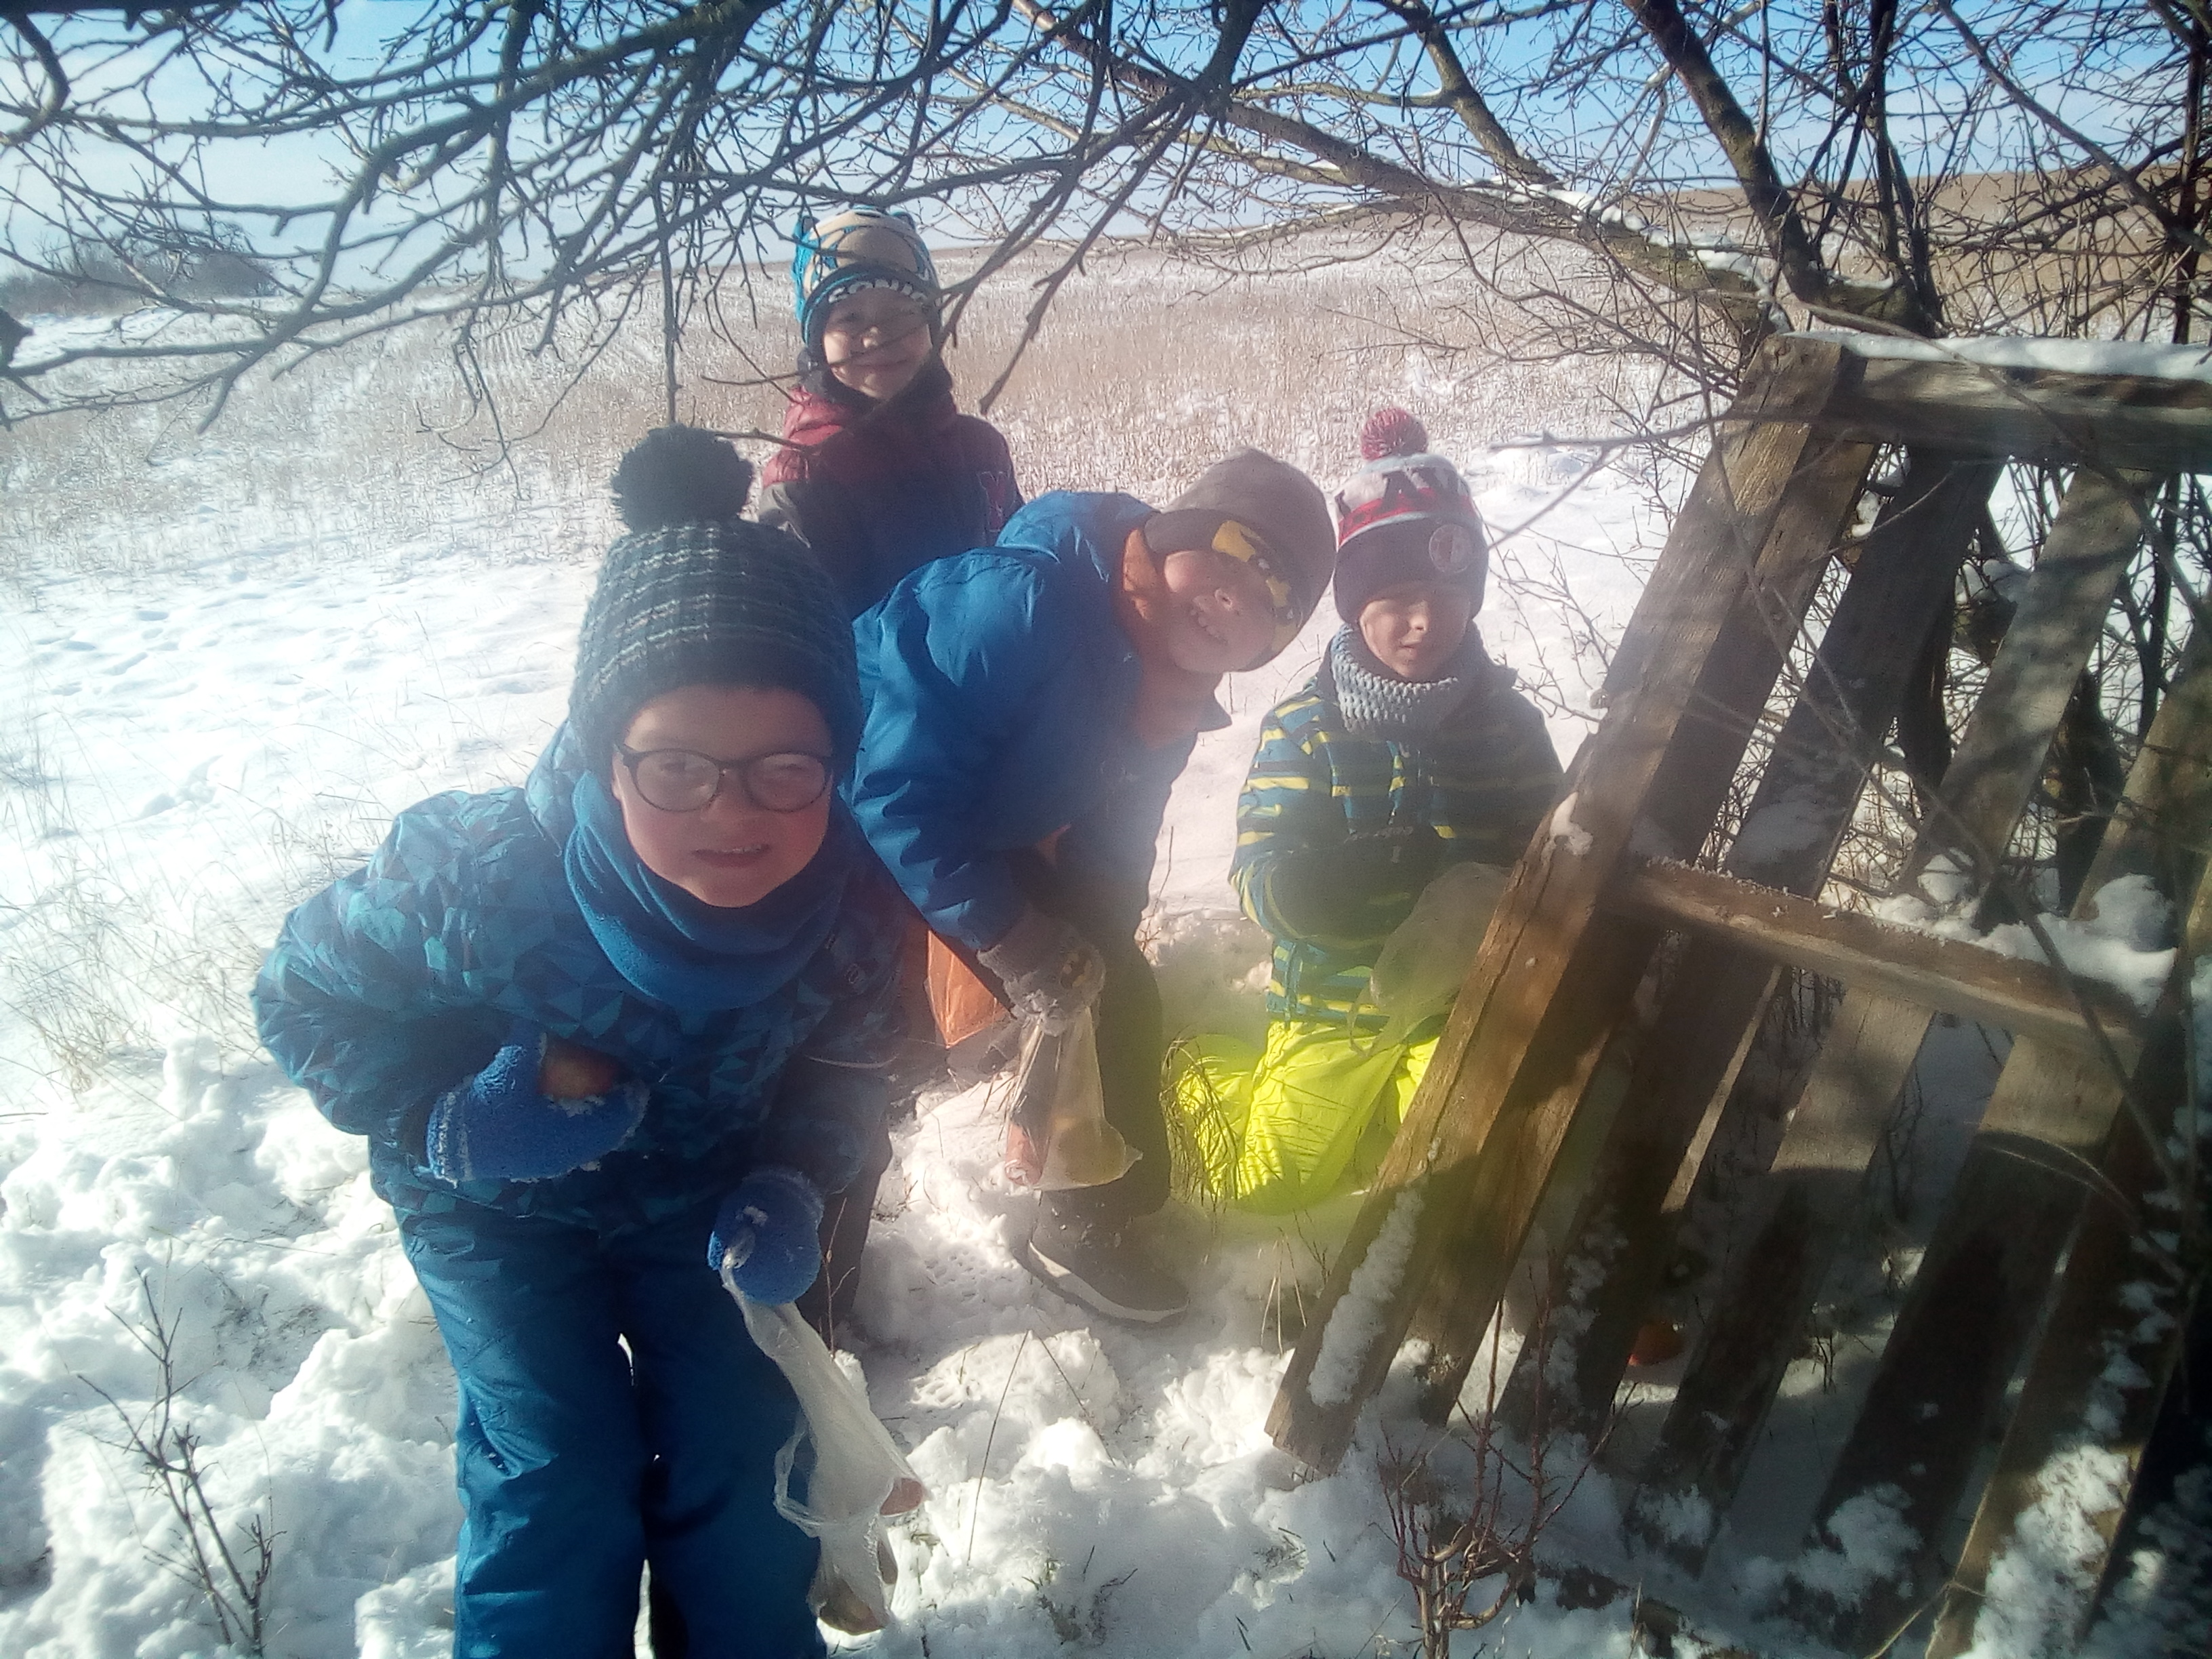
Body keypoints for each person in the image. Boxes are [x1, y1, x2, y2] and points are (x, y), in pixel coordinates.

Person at [253, 430, 905, 1657]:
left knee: (741, 1440)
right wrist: (438, 1119)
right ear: (607, 755)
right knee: (560, 1459)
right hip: (492, 1207)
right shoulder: (477, 880)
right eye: (676, 767)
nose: (731, 810)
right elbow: (302, 996)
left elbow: (852, 1065)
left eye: (785, 767)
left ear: (836, 760)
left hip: (703, 1203)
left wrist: (794, 1175)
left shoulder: (854, 907)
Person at [848, 450, 1337, 1323]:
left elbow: (1118, 838)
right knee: (837, 1034)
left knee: (1106, 984)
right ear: (1174, 536)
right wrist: (1014, 939)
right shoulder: (1021, 603)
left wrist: (1089, 948)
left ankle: (1091, 1216)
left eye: (1276, 600)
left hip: (963, 825)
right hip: (825, 819)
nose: (1238, 598)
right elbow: (892, 793)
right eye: (1234, 555)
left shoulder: (1173, 690)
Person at [1172, 409, 1563, 1214]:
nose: (1425, 620)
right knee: (1263, 1186)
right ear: (1355, 604)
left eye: (1449, 596)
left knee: (1456, 1162)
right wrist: (1316, 891)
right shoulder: (1306, 729)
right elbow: (1259, 867)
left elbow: (1550, 852)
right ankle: (1193, 1065)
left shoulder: (1508, 728)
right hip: (1332, 1000)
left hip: (1456, 1001)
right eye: (1398, 597)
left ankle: (1383, 1116)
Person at [756, 205, 1023, 616]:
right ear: (818, 339)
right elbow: (812, 633)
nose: (878, 336)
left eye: (902, 313)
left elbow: (1020, 563)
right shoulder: (808, 473)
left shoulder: (981, 448)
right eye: (850, 318)